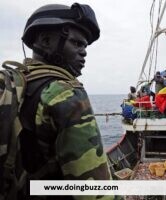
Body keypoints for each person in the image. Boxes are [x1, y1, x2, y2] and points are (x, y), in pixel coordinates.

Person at [11, 3, 113, 200]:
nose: (84, 52)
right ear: (45, 40)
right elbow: (94, 193)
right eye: (76, 43)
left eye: (85, 46)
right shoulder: (65, 93)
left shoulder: (15, 85)